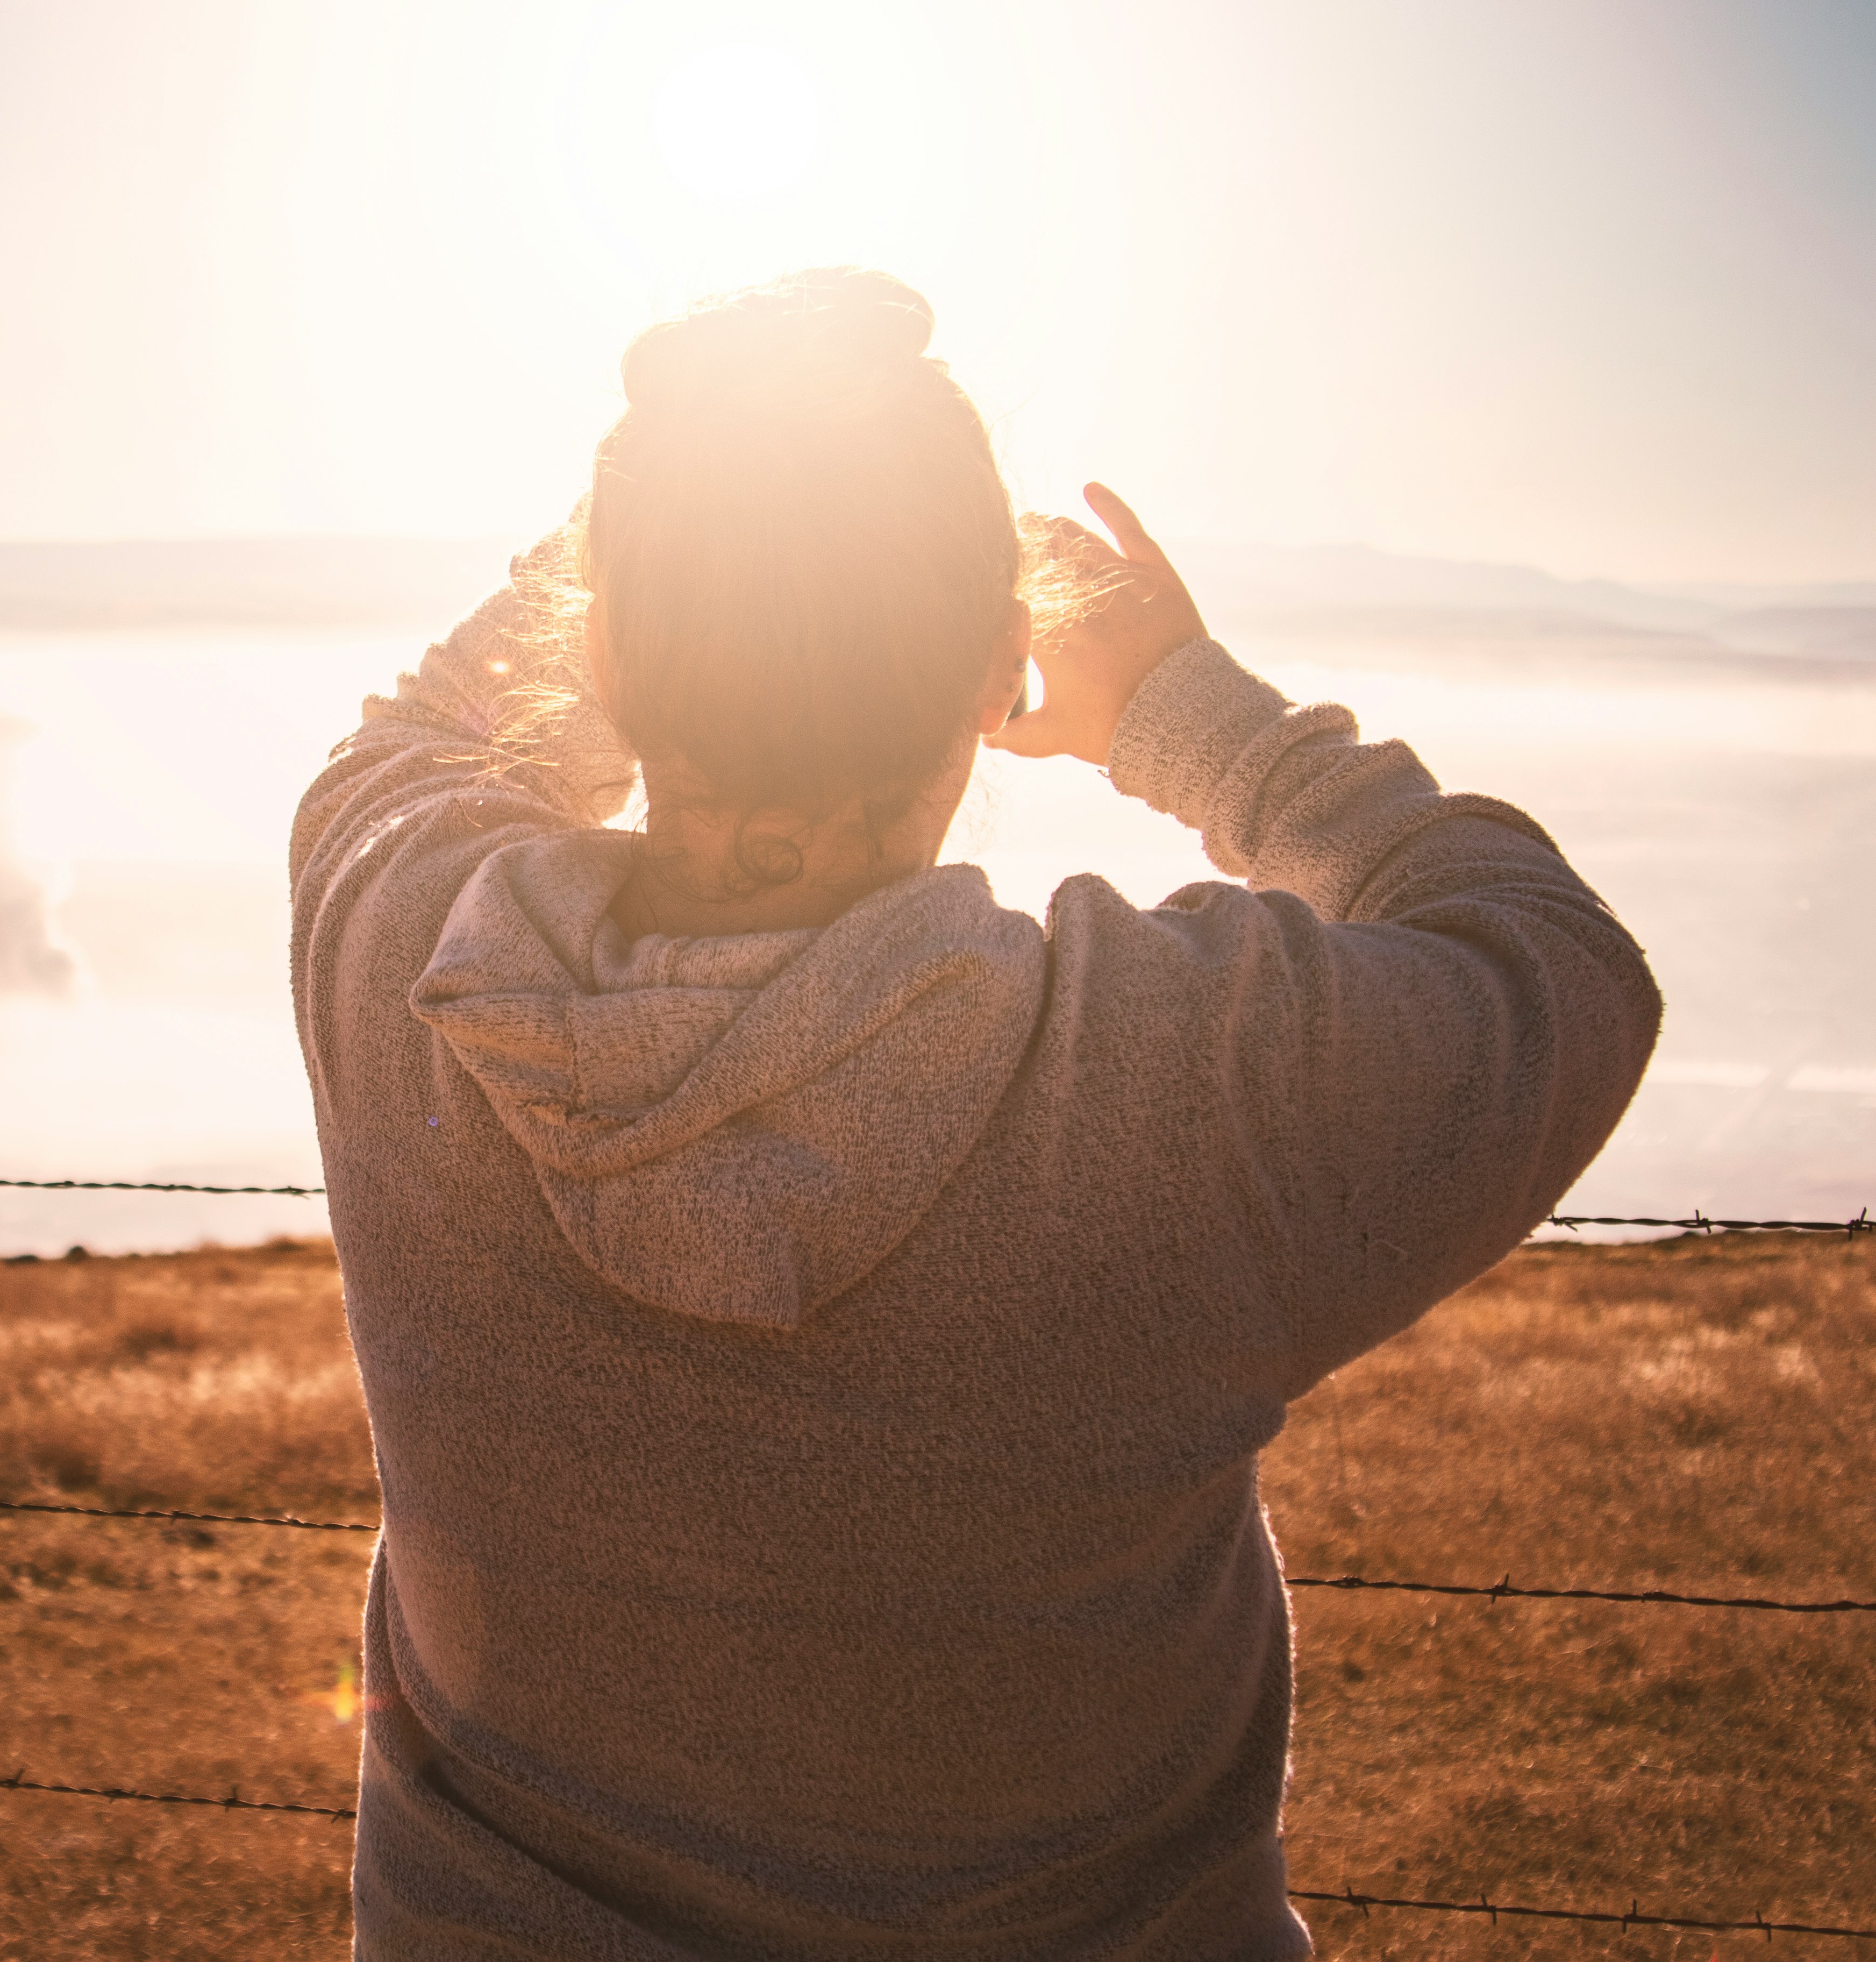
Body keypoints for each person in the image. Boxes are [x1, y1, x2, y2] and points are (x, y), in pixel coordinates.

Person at [287, 267, 1658, 1960]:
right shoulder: (1174, 1082)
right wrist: (1186, 708)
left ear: (613, 650)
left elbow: (419, 743)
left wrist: (654, 539)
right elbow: (1548, 962)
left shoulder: (403, 971)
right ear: (1006, 660)